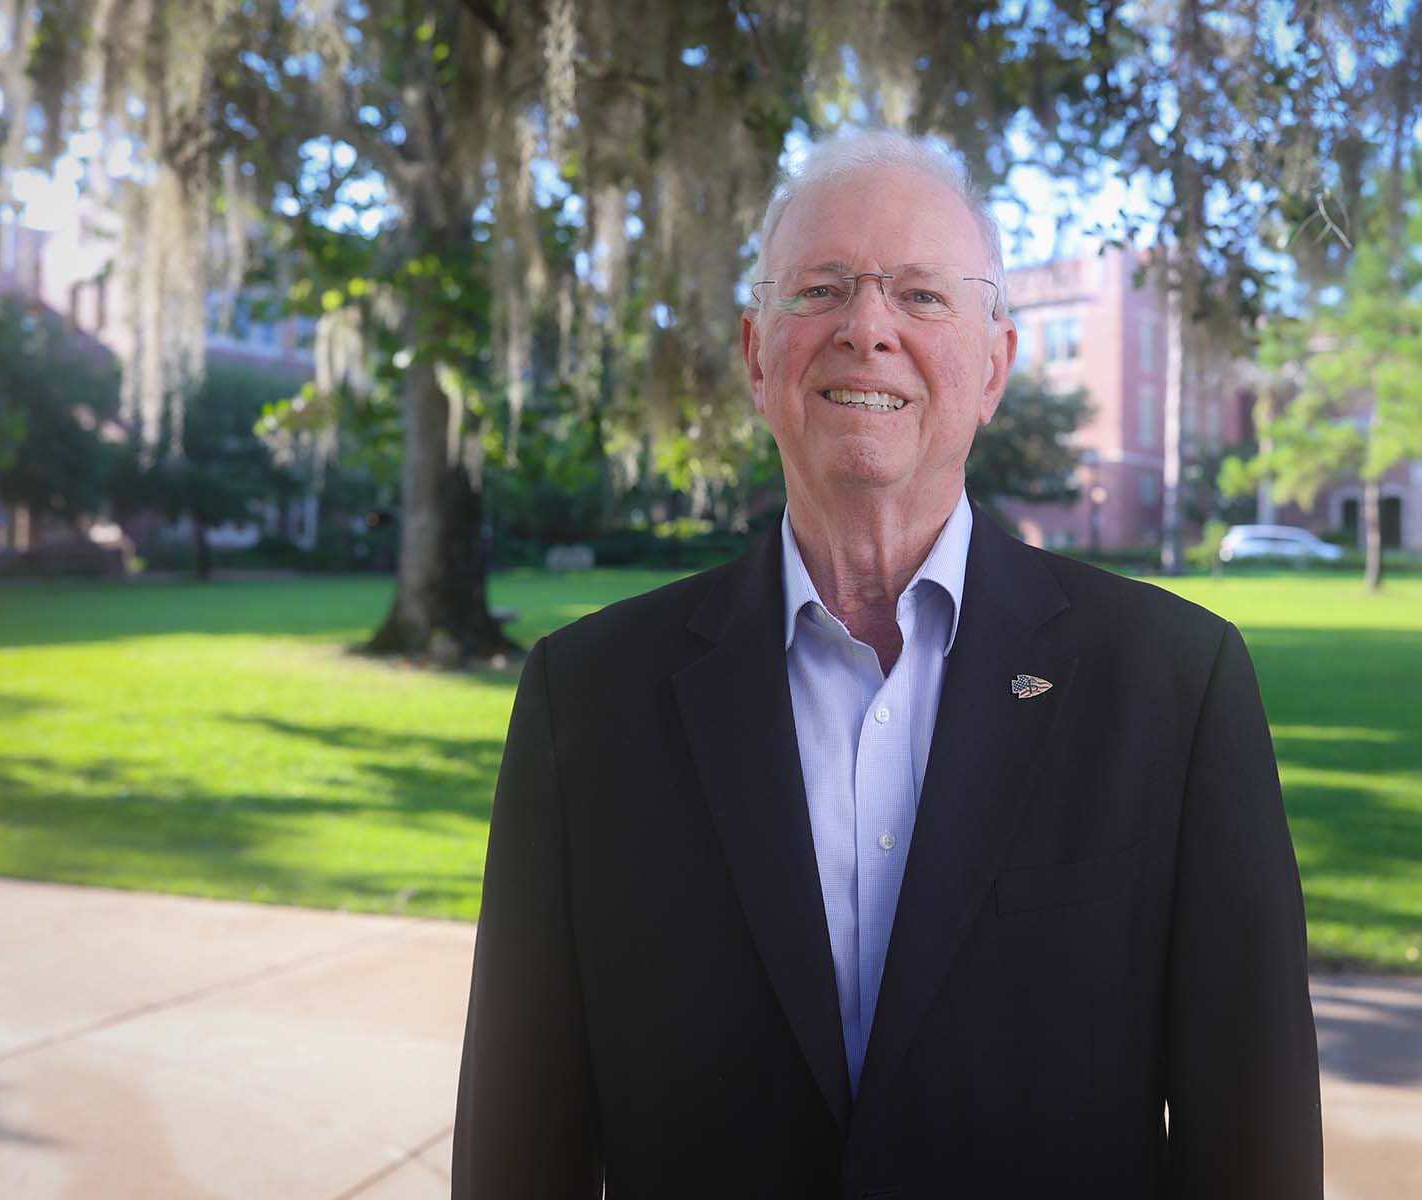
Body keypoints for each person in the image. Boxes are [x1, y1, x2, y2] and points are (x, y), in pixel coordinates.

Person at [453, 130, 1322, 1199]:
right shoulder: (584, 701)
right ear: (756, 355)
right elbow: (517, 1141)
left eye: (920, 296)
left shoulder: (1176, 688)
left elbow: (1253, 1135)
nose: (867, 329)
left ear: (995, 366)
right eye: (821, 289)